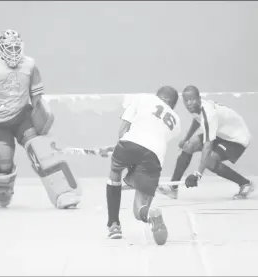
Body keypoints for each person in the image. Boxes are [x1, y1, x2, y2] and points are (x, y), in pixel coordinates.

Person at [0, 29, 81, 209]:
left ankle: (63, 192)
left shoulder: (30, 65)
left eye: (15, 47)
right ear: (0, 48)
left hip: (22, 118)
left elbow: (36, 96)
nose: (13, 52)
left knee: (41, 153)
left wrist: (40, 114)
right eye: (8, 48)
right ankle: (3, 188)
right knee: (3, 163)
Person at [105, 86, 181, 245]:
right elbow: (151, 143)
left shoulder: (143, 98)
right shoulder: (176, 122)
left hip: (129, 144)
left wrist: (120, 151)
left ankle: (114, 225)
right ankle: (150, 212)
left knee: (115, 172)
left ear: (158, 96)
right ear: (172, 104)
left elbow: (123, 130)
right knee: (138, 210)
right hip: (154, 156)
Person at [158, 85, 255, 200]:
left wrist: (198, 174)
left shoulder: (209, 114)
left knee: (210, 161)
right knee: (189, 145)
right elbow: (197, 120)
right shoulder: (196, 108)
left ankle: (245, 184)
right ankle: (173, 188)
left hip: (237, 138)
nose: (189, 103)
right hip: (221, 133)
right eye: (186, 100)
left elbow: (207, 146)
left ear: (199, 98)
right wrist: (186, 138)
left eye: (192, 99)